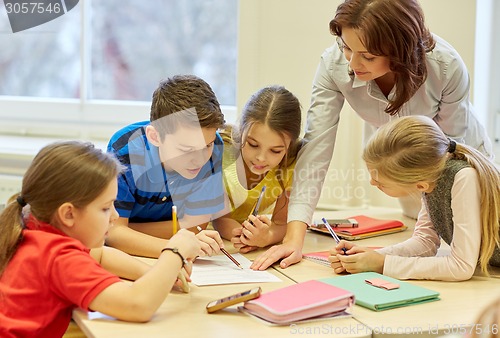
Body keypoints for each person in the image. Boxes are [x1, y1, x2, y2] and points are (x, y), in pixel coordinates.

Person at [250, 0, 493, 271]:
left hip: (457, 158)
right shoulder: (334, 66)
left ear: (400, 51)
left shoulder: (446, 66)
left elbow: (446, 155)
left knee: (478, 251)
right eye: (346, 47)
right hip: (410, 168)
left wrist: (382, 264)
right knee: (426, 234)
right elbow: (315, 150)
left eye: (367, 56)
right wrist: (294, 239)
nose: (353, 64)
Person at [0, 141, 202, 338]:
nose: (114, 215)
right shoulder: (59, 255)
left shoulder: (32, 227)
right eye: (106, 207)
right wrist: (174, 251)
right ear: (68, 214)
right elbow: (137, 305)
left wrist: (156, 275)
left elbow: (100, 255)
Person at [329, 116, 500, 281]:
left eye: (380, 182)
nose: (372, 182)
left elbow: (461, 267)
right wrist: (370, 257)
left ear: (419, 185)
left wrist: (382, 264)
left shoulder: (463, 178)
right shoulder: (432, 176)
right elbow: (425, 242)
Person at [106, 75, 227, 258]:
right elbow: (112, 234)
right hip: (131, 257)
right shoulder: (125, 151)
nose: (200, 160)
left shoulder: (215, 146)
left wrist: (128, 229)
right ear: (155, 136)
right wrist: (177, 247)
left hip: (155, 253)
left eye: (207, 146)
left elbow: (197, 225)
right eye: (186, 149)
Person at [212, 85, 302, 252]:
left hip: (242, 244)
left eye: (275, 151)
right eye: (253, 145)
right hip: (211, 239)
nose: (261, 158)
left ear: (290, 145)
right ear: (242, 130)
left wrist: (266, 236)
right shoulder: (221, 152)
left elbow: (282, 224)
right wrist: (240, 234)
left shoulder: (290, 166)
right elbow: (219, 218)